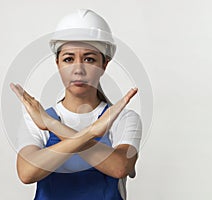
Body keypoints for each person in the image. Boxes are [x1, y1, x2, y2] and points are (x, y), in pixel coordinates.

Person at [10, 9, 142, 200]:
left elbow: (120, 167)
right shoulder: (34, 120)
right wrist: (90, 133)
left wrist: (53, 125)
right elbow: (27, 173)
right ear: (58, 64)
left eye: (89, 59)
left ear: (104, 64)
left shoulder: (123, 119)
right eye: (68, 59)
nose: (78, 69)